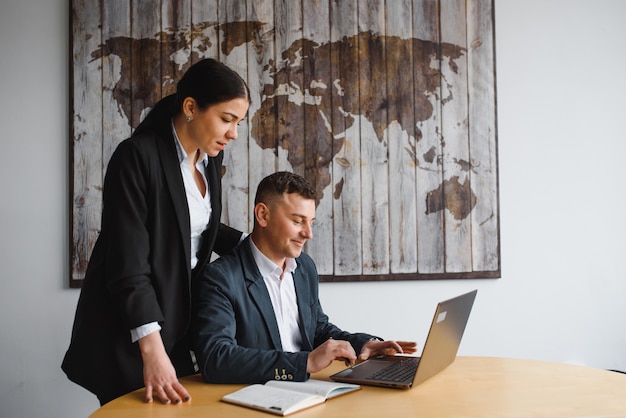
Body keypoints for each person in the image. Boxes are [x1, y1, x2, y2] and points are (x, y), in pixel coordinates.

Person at [62, 58, 250, 405]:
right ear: (191, 107)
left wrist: (251, 245)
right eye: (227, 120)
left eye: (239, 122)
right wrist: (153, 349)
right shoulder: (136, 158)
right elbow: (128, 262)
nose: (234, 133)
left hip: (178, 324)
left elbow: (190, 223)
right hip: (131, 328)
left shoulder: (209, 160)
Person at [191, 171, 417, 384]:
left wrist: (364, 344)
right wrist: (305, 363)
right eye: (298, 221)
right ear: (263, 215)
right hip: (256, 398)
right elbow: (216, 358)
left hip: (307, 393)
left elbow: (318, 330)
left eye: (311, 222)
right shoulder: (220, 278)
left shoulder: (304, 267)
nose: (308, 234)